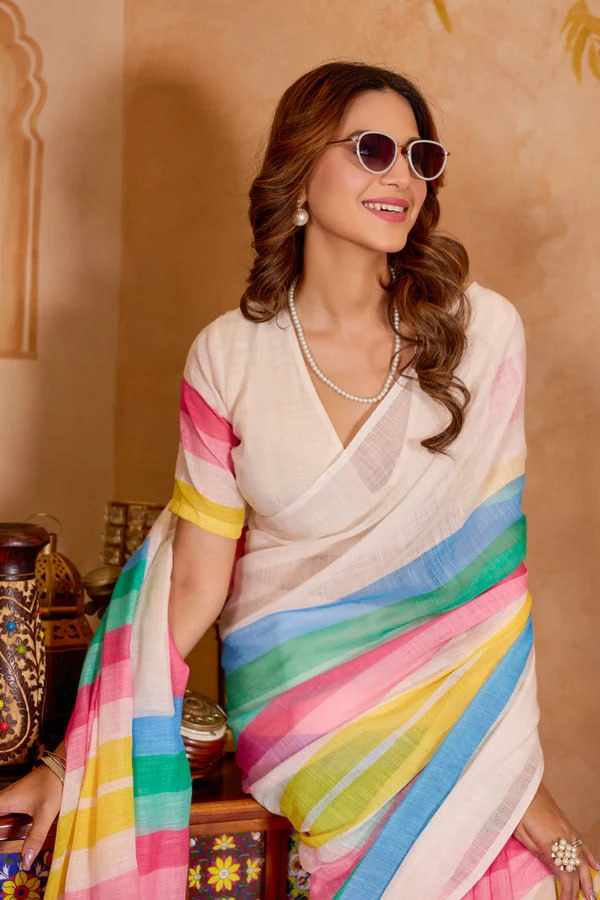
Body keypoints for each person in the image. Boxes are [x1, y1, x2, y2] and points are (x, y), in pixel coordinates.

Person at [0, 60, 598, 900]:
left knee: (537, 873)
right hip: (302, 716)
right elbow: (193, 585)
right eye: (373, 149)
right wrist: (68, 767)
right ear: (301, 171)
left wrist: (530, 803)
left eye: (420, 157)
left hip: (452, 706)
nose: (403, 177)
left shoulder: (480, 334)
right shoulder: (230, 356)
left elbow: (485, 596)